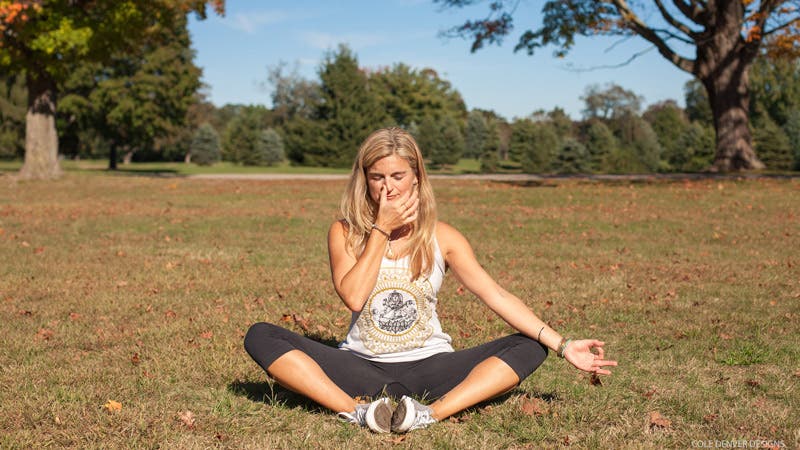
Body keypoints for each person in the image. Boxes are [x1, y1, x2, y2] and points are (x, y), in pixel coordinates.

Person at [244, 127, 617, 433]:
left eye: (397, 176)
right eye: (376, 178)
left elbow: (496, 295)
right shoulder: (344, 232)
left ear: (417, 178)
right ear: (364, 181)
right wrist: (380, 230)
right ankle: (359, 412)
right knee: (260, 335)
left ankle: (428, 414)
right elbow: (354, 297)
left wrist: (562, 345)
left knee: (530, 346)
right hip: (359, 366)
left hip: (430, 367)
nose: (387, 189)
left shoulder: (443, 237)